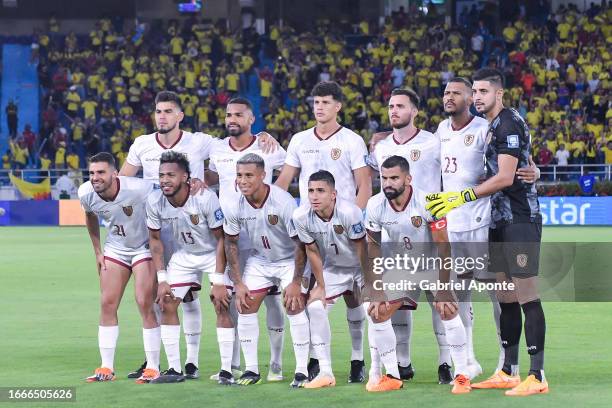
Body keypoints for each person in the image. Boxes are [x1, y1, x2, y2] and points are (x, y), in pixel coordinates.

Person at [119, 90, 279, 379]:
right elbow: (123, 181)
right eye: (158, 111)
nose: (162, 116)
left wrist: (261, 135)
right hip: (164, 230)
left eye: (168, 111)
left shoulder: (201, 142)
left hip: (207, 230)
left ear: (180, 115)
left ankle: (229, 365)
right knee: (161, 298)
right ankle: (158, 361)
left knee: (226, 298)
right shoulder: (142, 144)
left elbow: (236, 142)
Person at [426, 68, 548, 396]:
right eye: (476, 91)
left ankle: (537, 375)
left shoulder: (507, 122)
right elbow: (524, 160)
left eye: (483, 92)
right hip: (497, 220)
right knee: (506, 295)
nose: (478, 97)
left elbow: (506, 177)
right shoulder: (494, 125)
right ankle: (507, 370)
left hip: (519, 220)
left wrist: (461, 196)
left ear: (499, 94)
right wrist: (535, 168)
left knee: (525, 294)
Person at [275, 81, 371, 382]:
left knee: (355, 298)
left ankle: (358, 360)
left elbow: (364, 186)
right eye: (316, 102)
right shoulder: (300, 140)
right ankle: (313, 362)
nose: (319, 107)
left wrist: (348, 224)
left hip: (344, 229)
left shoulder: (353, 140)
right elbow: (284, 181)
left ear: (338, 106)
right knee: (307, 300)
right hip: (310, 233)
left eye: (326, 102)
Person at [365, 155, 472, 394]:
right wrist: (376, 286)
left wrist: (443, 288)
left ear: (408, 178)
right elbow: (372, 247)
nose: (387, 183)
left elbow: (444, 246)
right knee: (378, 311)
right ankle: (391, 374)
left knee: (448, 308)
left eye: (394, 178)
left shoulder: (428, 202)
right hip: (400, 265)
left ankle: (462, 374)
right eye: (384, 178)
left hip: (432, 264)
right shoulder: (374, 204)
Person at [368, 87, 451, 384]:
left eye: (400, 106)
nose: (394, 111)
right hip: (394, 238)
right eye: (391, 106)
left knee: (441, 300)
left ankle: (446, 363)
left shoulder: (433, 142)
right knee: (399, 303)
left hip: (431, 231)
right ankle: (402, 363)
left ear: (414, 111)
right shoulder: (380, 147)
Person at [206, 97, 288, 382]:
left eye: (239, 115)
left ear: (251, 119)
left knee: (272, 299)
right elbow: (209, 176)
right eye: (229, 114)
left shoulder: (267, 146)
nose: (232, 119)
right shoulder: (216, 148)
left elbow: (288, 171)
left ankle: (276, 362)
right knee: (230, 300)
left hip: (265, 233)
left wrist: (272, 206)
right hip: (232, 233)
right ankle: (232, 365)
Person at [223, 153, 311, 388]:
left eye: (249, 175)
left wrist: (295, 281)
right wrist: (238, 282)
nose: (242, 180)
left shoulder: (282, 202)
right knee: (244, 305)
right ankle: (251, 369)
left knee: (294, 305)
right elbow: (230, 243)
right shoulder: (235, 204)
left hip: (288, 260)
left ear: (263, 176)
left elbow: (300, 244)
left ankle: (302, 370)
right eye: (239, 175)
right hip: (260, 260)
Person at [146, 151, 233, 384]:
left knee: (221, 304)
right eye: (161, 175)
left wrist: (218, 279)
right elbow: (155, 240)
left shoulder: (204, 198)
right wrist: (162, 278)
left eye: (171, 175)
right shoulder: (155, 201)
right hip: (184, 256)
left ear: (186, 177)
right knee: (166, 302)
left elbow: (222, 238)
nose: (165, 180)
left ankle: (226, 370)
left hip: (212, 254)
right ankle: (175, 369)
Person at [78, 152, 159, 384]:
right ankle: (106, 367)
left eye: (101, 172)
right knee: (107, 303)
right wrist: (97, 252)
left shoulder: (139, 189)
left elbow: (168, 197)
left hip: (144, 248)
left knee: (144, 302)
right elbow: (90, 217)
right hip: (116, 248)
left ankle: (153, 367)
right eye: (92, 173)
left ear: (115, 173)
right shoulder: (85, 193)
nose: (95, 177)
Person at [292, 170, 368, 388]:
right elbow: (312, 251)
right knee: (315, 306)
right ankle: (325, 372)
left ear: (333, 194)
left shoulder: (350, 212)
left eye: (320, 191)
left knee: (373, 308)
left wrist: (370, 283)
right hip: (334, 267)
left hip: (360, 267)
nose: (314, 196)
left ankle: (363, 363)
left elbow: (362, 249)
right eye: (310, 191)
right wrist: (321, 286)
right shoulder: (300, 216)